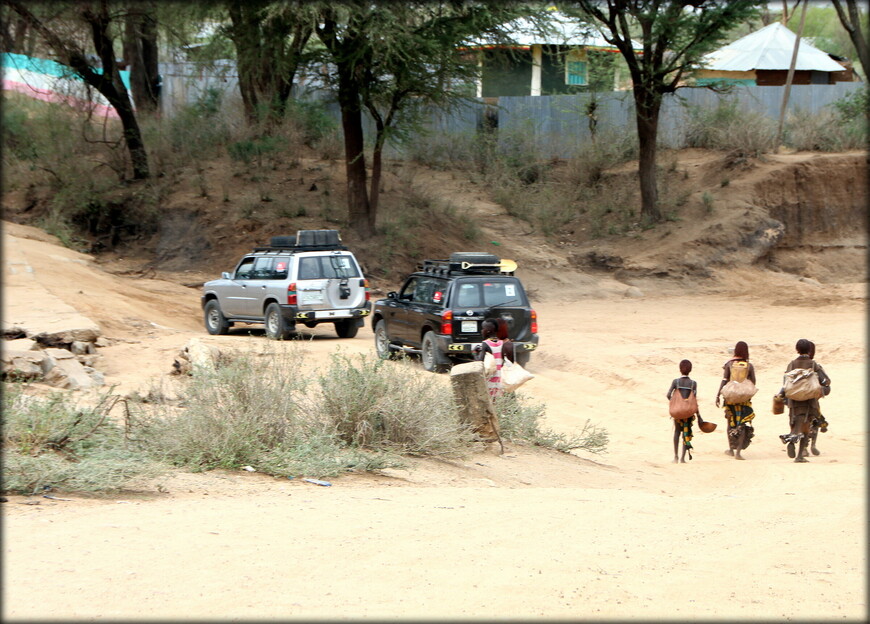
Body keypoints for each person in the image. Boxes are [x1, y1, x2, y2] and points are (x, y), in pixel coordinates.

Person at [777, 339, 831, 463]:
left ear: (797, 349)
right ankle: (800, 455)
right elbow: (825, 381)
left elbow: (786, 383)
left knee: (794, 422)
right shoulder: (813, 364)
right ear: (809, 350)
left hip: (793, 401)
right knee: (806, 427)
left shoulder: (791, 364)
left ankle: (791, 439)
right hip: (809, 401)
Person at [715, 341, 756, 460]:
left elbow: (724, 380)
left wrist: (718, 395)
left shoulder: (729, 364)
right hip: (744, 399)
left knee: (730, 423)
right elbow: (753, 382)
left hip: (730, 399)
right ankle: (738, 452)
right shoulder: (749, 366)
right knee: (742, 424)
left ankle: (731, 449)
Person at [666, 359, 700, 464]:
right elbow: (694, 398)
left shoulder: (676, 382)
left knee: (677, 431)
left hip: (678, 412)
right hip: (688, 412)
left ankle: (675, 457)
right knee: (686, 433)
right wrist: (699, 415)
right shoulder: (693, 383)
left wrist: (675, 402)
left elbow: (668, 395)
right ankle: (682, 458)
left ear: (680, 369)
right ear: (690, 370)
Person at [474, 318, 515, 399]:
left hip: (491, 381)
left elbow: (479, 363)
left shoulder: (485, 344)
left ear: (488, 331)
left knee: (492, 401)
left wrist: (474, 353)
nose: (482, 331)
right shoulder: (502, 343)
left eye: (483, 329)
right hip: (502, 379)